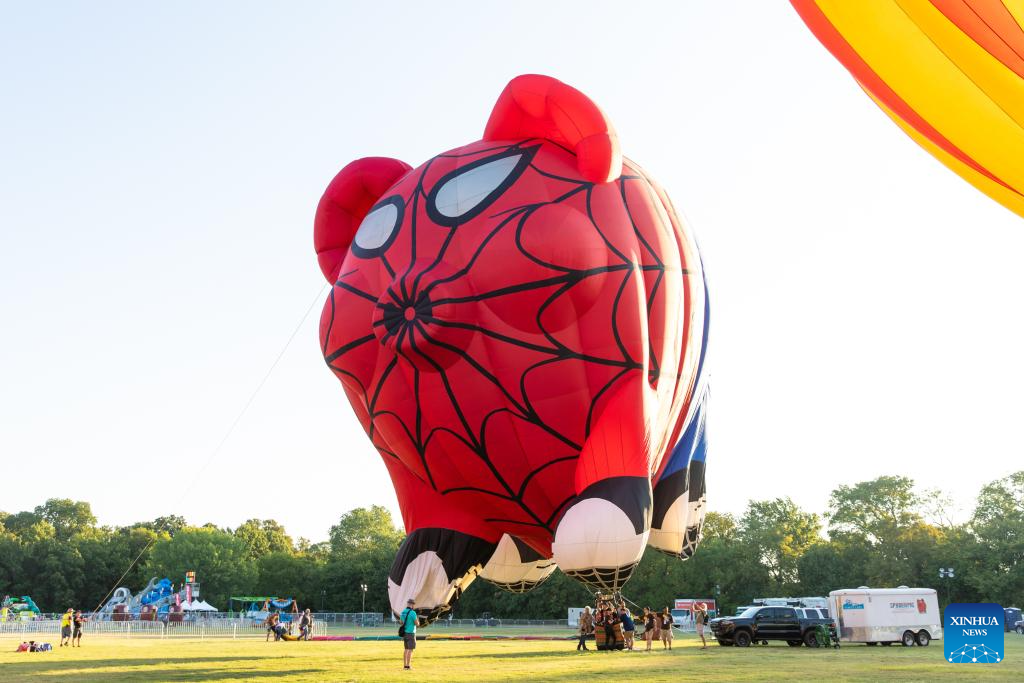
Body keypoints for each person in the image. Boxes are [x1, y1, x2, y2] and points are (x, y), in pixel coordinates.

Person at [399, 598, 419, 670]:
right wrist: (418, 623)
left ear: (407, 604)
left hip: (405, 633)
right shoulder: (413, 613)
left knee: (406, 649)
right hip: (411, 633)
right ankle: (408, 666)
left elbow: (401, 622)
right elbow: (417, 623)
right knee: (410, 650)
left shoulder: (403, 612)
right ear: (412, 605)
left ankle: (405, 666)